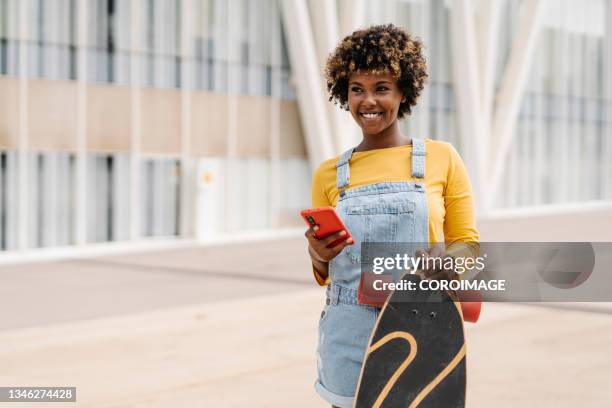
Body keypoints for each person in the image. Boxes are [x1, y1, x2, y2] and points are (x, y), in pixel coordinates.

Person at [303, 24, 480, 407]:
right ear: (343, 94)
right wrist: (319, 253)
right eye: (357, 89)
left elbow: (468, 245)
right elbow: (324, 274)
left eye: (382, 88)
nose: (369, 101)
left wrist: (447, 266)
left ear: (404, 91)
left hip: (421, 327)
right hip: (347, 334)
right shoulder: (328, 174)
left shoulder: (442, 158)